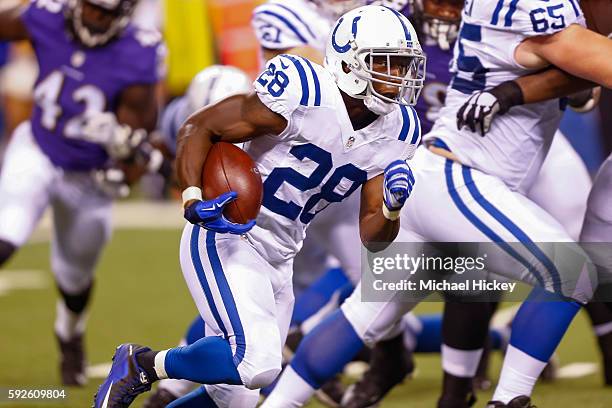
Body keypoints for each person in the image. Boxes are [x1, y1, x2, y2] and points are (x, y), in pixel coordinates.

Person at [259, 0, 612, 407]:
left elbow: (571, 78)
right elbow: (591, 65)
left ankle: (277, 403)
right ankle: (509, 399)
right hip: (460, 177)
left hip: (431, 179)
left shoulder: (520, 18)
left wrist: (514, 90)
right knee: (570, 271)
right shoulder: (533, 10)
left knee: (364, 316)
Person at [93, 5, 426, 408]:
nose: (397, 76)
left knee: (236, 401)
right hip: (231, 233)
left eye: (403, 65)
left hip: (282, 253)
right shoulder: (303, 89)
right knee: (257, 364)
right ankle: (143, 364)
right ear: (349, 60)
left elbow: (373, 236)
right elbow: (200, 126)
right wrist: (192, 195)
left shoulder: (400, 128)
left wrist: (392, 207)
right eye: (385, 63)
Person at [0, 0, 163, 386]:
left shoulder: (139, 50)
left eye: (105, 13)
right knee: (7, 233)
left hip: (90, 176)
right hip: (38, 149)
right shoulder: (46, 15)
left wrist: (123, 157)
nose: (94, 18)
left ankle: (69, 332)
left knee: (74, 277)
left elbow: (141, 126)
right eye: (90, 7)